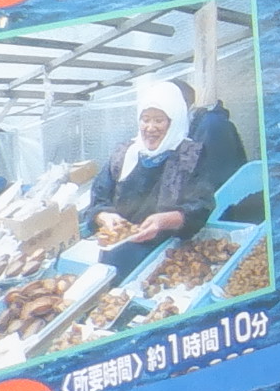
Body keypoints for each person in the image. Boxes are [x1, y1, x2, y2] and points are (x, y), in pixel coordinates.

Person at [85, 78, 247, 281]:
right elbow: (99, 197)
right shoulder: (124, 154)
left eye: (159, 120)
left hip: (162, 258)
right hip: (116, 257)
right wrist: (105, 217)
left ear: (174, 120)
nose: (150, 127)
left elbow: (201, 206)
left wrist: (163, 221)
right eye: (145, 119)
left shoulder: (190, 156)